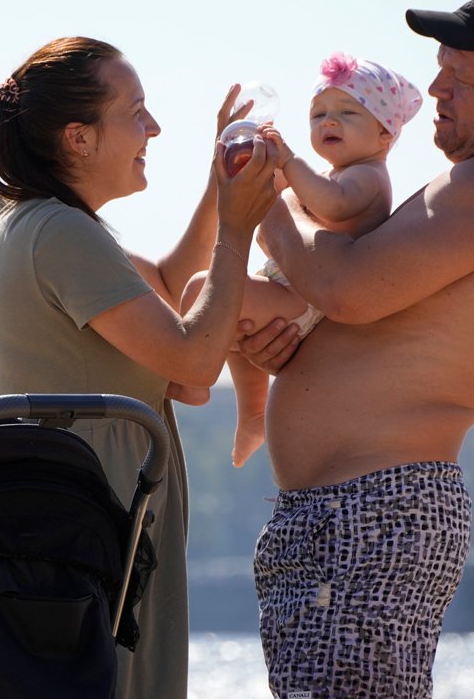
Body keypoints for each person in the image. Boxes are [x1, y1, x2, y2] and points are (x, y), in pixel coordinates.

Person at [239, 0, 474, 699]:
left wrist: (259, 207)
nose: (435, 90)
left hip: (367, 513)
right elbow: (358, 316)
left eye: (462, 78)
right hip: (355, 513)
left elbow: (346, 289)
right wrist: (294, 348)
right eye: (439, 67)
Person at [0, 37, 278, 699]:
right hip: (99, 537)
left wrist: (219, 189)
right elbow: (194, 360)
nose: (155, 128)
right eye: (136, 112)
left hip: (72, 532)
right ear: (79, 139)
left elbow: (164, 284)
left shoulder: (20, 220)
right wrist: (238, 229)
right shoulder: (62, 235)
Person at [179, 54, 423, 467]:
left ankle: (190, 376)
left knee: (201, 290)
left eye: (347, 112)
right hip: (288, 288)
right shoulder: (333, 173)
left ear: (385, 135)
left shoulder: (368, 177)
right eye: (318, 114)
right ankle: (254, 415)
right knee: (231, 331)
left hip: (303, 300)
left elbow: (333, 204)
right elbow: (288, 200)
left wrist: (290, 164)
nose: (328, 122)